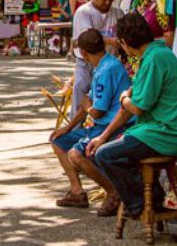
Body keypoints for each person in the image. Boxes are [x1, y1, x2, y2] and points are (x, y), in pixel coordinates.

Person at [86, 13, 177, 218]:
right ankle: (150, 197)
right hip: (157, 131)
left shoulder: (155, 59)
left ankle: (141, 204)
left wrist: (123, 97)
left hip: (166, 134)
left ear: (125, 43)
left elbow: (136, 108)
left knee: (105, 155)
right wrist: (104, 136)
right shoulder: (154, 55)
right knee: (104, 149)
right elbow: (129, 108)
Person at [49, 29, 131, 214]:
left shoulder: (107, 70)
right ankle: (77, 191)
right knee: (57, 140)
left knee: (76, 154)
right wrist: (68, 127)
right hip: (101, 125)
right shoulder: (102, 66)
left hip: (112, 127)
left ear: (84, 53)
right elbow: (88, 104)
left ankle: (113, 192)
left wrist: (87, 107)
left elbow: (96, 111)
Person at [63, 0, 124, 123]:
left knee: (107, 101)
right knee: (81, 94)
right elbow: (88, 39)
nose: (107, 3)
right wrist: (111, 41)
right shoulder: (84, 12)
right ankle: (74, 131)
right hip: (86, 64)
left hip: (110, 64)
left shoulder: (118, 13)